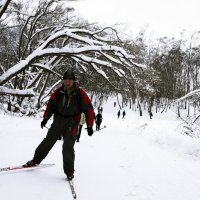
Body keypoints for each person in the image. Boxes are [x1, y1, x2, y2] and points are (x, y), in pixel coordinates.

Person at [23, 69, 94, 180]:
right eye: (66, 80)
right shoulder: (58, 92)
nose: (68, 82)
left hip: (72, 124)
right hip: (58, 122)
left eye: (70, 80)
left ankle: (69, 172)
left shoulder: (80, 93)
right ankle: (35, 160)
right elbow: (51, 105)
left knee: (67, 147)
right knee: (47, 142)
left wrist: (89, 126)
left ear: (74, 81)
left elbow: (89, 109)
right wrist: (45, 118)